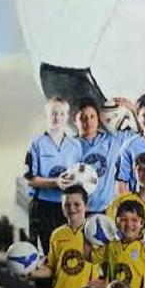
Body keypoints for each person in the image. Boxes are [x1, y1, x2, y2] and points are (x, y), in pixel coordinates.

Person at [25, 96, 83, 253]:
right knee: (45, 255)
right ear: (47, 116)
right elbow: (29, 179)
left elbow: (80, 176)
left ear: (68, 116)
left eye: (62, 113)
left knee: (66, 253)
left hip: (67, 207)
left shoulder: (75, 145)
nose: (57, 117)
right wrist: (55, 182)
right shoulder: (36, 143)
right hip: (42, 206)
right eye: (53, 113)